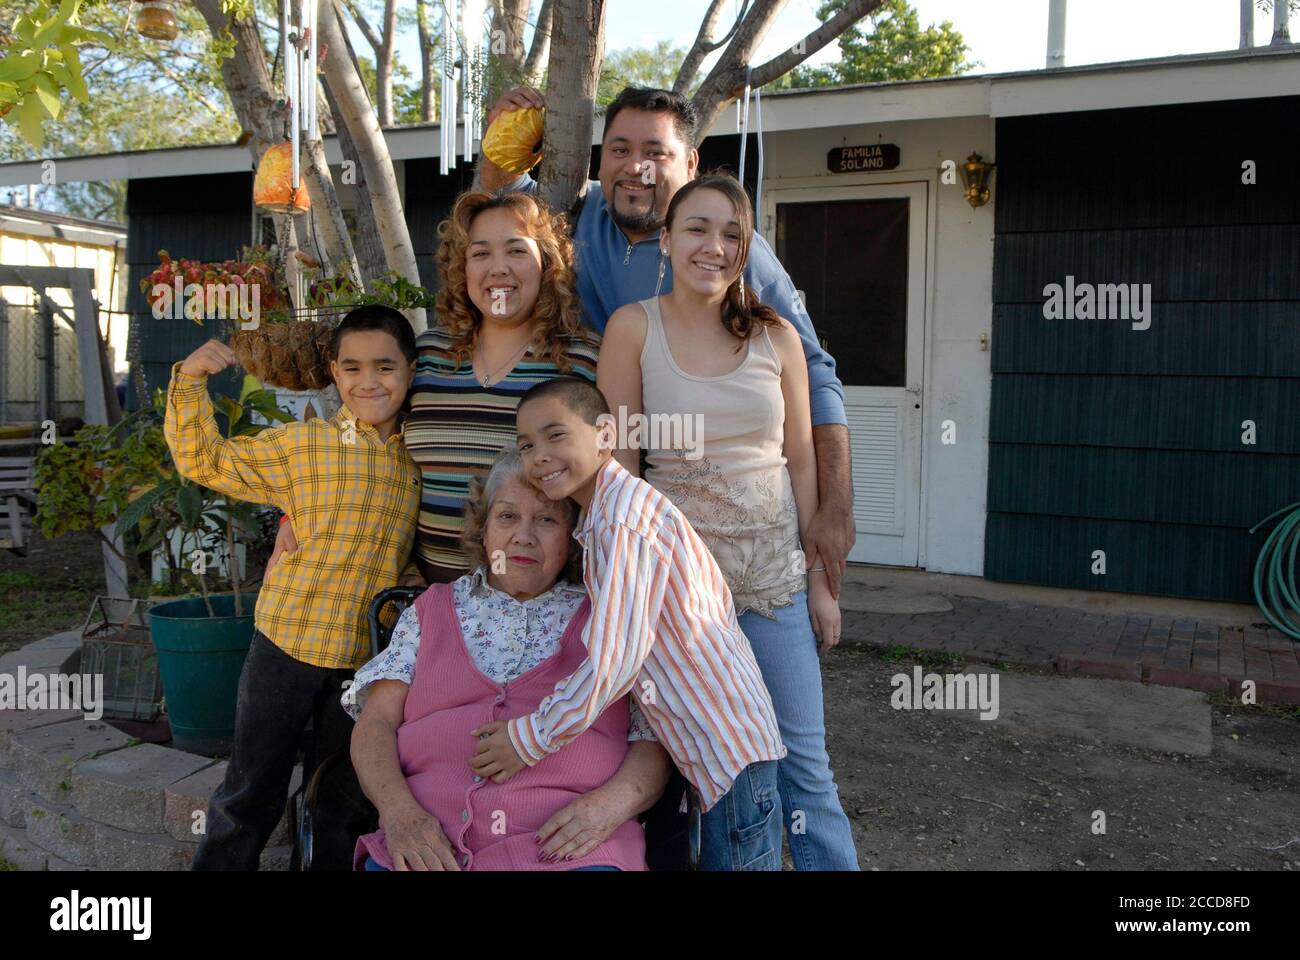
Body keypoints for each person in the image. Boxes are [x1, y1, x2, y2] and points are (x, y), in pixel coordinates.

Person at [477, 83, 856, 599]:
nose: (636, 166)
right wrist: (505, 132)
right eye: (620, 150)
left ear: (691, 163)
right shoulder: (571, 219)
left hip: (723, 524)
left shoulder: (727, 252)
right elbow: (499, 200)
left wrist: (835, 505)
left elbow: (815, 373)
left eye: (656, 152)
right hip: (598, 507)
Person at [598, 172, 859, 870]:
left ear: (746, 251)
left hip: (773, 591)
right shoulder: (633, 330)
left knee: (805, 766)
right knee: (695, 778)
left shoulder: (778, 340)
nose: (713, 246)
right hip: (679, 601)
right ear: (666, 238)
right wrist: (623, 597)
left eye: (731, 235)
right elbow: (621, 475)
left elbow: (802, 464)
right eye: (697, 229)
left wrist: (822, 588)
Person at [470, 378, 788, 871]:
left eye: (556, 436)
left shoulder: (624, 521)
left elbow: (615, 659)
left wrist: (528, 738)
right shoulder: (602, 518)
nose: (539, 456)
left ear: (604, 434)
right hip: (710, 750)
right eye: (527, 445)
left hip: (727, 749)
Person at [164, 305, 421, 870]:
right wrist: (190, 381)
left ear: (409, 370)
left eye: (385, 366)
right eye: (351, 368)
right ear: (333, 372)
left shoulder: (417, 460)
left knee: (341, 798)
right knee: (250, 787)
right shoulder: (302, 445)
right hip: (285, 643)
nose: (368, 381)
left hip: (362, 662)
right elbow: (203, 459)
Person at [345, 449, 671, 871]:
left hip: (571, 851)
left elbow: (654, 737)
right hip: (427, 848)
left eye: (547, 519)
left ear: (575, 537)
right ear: (482, 531)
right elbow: (375, 724)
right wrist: (399, 815)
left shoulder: (611, 618)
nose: (524, 536)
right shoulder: (431, 609)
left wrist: (607, 809)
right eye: (507, 517)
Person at [272, 189, 600, 586]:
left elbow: (611, 482)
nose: (498, 269)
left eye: (516, 251)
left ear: (547, 264)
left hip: (540, 604)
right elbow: (354, 441)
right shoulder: (427, 356)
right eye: (480, 254)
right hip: (427, 596)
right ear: (461, 268)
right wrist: (295, 512)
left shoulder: (583, 362)